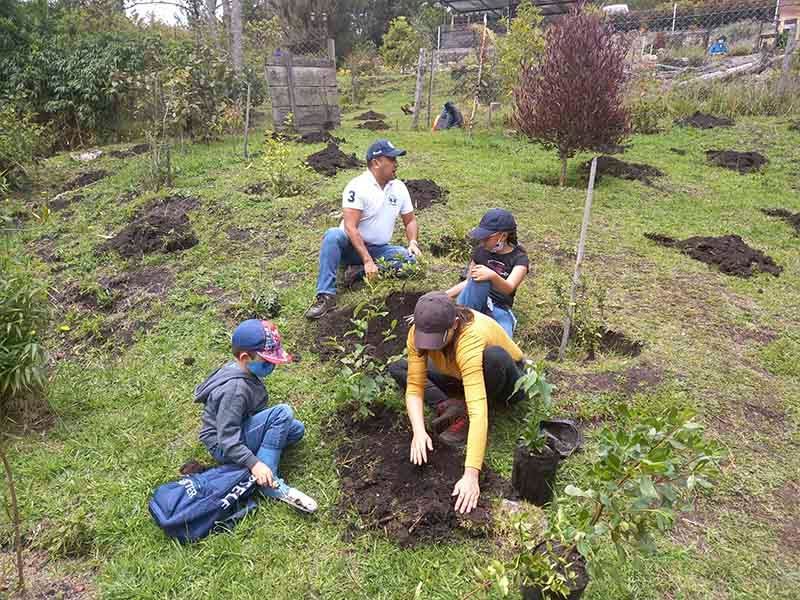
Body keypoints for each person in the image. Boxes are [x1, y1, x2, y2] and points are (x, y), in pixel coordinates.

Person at [388, 292, 525, 514]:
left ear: (454, 324)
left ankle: (464, 411)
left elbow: (479, 411)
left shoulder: (469, 338)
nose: (429, 346)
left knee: (494, 358)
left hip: (508, 378)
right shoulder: (418, 332)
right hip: (459, 373)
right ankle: (453, 405)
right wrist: (419, 431)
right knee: (398, 368)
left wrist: (471, 475)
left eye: (435, 340)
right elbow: (414, 386)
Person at [194, 319, 317, 513]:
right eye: (267, 361)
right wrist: (255, 464)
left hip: (239, 430)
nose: (272, 366)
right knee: (282, 413)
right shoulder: (234, 390)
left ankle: (255, 460)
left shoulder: (242, 371)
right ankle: (268, 483)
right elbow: (226, 438)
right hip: (223, 446)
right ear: (245, 357)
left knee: (295, 430)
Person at [305, 139, 423, 319]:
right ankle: (326, 295)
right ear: (376, 163)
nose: (396, 164)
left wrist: (413, 242)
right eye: (391, 159)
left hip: (379, 248)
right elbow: (350, 227)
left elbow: (410, 220)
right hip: (351, 246)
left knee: (411, 263)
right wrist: (367, 260)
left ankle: (357, 273)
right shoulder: (358, 186)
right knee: (332, 235)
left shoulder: (398, 187)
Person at [446, 208, 528, 337]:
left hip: (498, 307)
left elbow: (509, 288)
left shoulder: (519, 258)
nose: (482, 241)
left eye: (487, 238)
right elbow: (469, 282)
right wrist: (445, 296)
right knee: (459, 333)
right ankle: (461, 321)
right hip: (471, 302)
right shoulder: (480, 251)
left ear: (503, 236)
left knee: (503, 341)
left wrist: (492, 276)